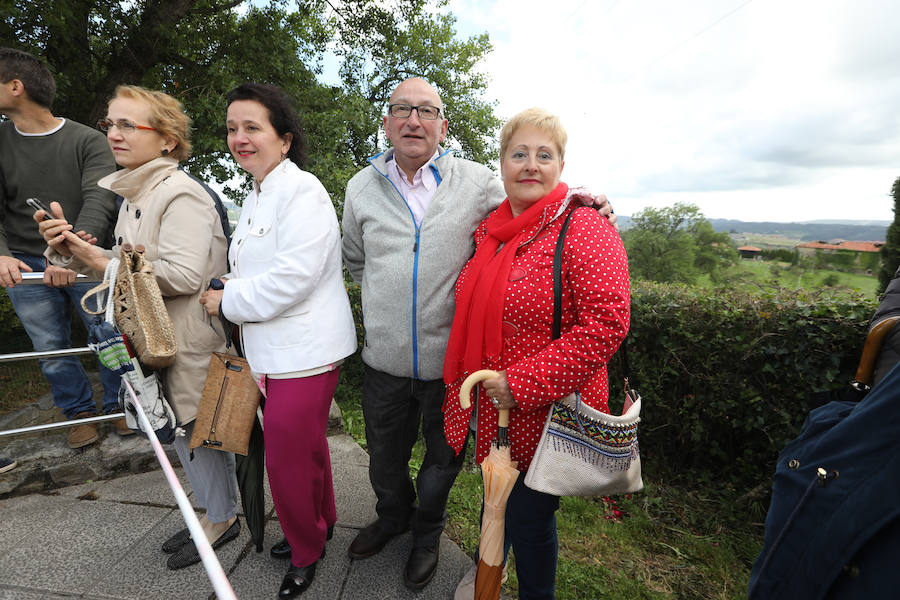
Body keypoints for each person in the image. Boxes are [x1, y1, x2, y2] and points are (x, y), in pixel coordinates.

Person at [341, 78, 615, 590]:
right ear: (387, 122)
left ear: (443, 125)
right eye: (402, 109)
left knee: (442, 465)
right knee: (384, 459)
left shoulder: (477, 182)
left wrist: (587, 202)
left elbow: (535, 206)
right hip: (386, 359)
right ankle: (393, 517)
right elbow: (355, 260)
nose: (414, 120)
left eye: (427, 111)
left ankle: (427, 536)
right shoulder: (359, 188)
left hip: (457, 371)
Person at [36, 85, 239, 571]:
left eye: (129, 124)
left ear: (167, 140)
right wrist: (69, 250)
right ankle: (215, 510)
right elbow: (122, 266)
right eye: (110, 123)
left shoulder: (180, 193)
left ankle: (223, 517)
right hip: (153, 339)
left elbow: (183, 275)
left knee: (195, 431)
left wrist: (98, 261)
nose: (114, 133)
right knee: (174, 428)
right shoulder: (136, 193)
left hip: (187, 340)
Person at [442, 108, 630, 600]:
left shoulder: (584, 226)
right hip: (494, 411)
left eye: (543, 155)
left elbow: (608, 323)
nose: (530, 165)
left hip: (547, 413)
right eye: (518, 153)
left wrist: (520, 383)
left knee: (528, 519)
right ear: (501, 163)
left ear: (560, 166)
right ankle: (489, 577)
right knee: (496, 504)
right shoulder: (491, 230)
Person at [200, 82, 357, 600]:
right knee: (305, 448)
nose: (239, 138)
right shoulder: (258, 192)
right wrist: (230, 284)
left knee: (284, 460)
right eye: (232, 128)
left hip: (305, 353)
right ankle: (323, 522)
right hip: (272, 351)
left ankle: (306, 550)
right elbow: (255, 268)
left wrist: (228, 301)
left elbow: (293, 280)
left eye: (253, 127)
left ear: (284, 139)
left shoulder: (302, 190)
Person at [0, 47, 123, 448]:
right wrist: (1, 254)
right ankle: (79, 413)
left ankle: (120, 406)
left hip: (86, 254)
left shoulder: (87, 140)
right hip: (22, 260)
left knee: (107, 331)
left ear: (16, 87)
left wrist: (70, 254)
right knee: (49, 344)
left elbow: (99, 199)